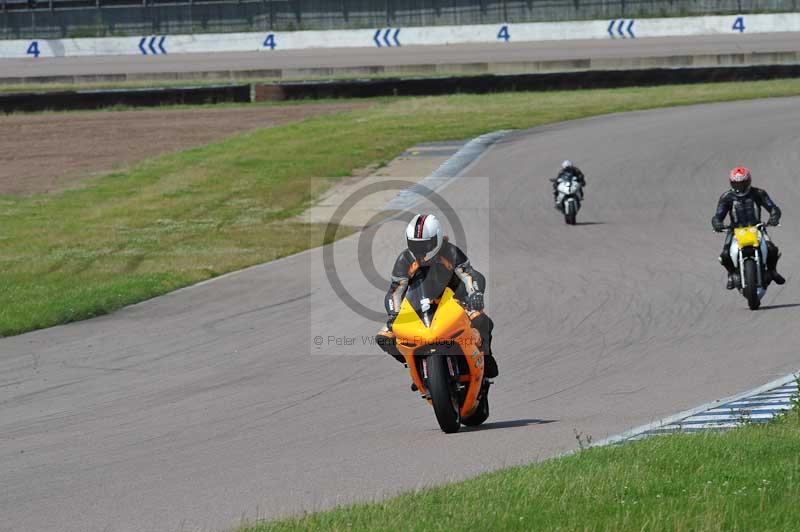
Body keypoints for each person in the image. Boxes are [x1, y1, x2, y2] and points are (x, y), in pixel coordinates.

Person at [376, 214, 499, 378]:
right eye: (414, 245)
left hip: (454, 300)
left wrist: (475, 294)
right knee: (383, 338)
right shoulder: (405, 259)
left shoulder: (450, 252)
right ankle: (416, 366)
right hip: (418, 306)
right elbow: (395, 291)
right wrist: (394, 314)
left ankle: (485, 356)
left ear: (437, 239)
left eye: (425, 245)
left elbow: (470, 275)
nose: (420, 251)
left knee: (481, 321)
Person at [711, 166, 785, 290]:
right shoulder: (726, 197)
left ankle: (772, 271)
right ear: (731, 182)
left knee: (772, 249)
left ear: (749, 181)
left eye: (743, 183)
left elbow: (773, 207)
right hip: (735, 230)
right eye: (736, 183)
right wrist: (717, 223)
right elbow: (718, 215)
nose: (740, 186)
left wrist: (774, 217)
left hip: (757, 228)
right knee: (724, 255)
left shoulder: (759, 193)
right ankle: (731, 274)